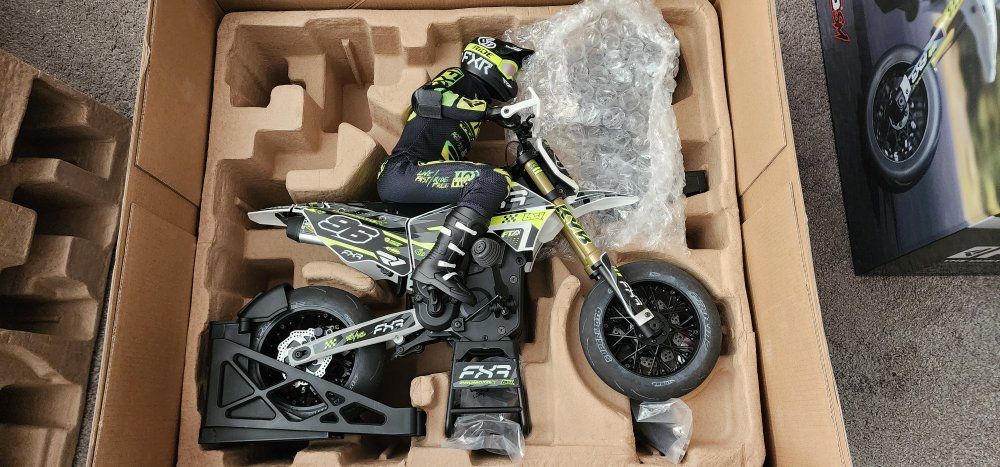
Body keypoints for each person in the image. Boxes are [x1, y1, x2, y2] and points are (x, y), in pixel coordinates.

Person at [377, 36, 533, 305]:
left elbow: (458, 169)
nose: (511, 77)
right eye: (509, 68)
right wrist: (488, 111)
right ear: (485, 58)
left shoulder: (476, 107)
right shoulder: (459, 78)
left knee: (495, 182)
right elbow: (424, 98)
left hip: (419, 176)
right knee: (491, 181)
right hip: (403, 171)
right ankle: (436, 267)